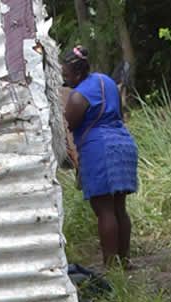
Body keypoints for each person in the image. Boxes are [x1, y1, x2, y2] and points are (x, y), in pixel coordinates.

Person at [61, 45, 138, 267]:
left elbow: (67, 125)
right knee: (119, 208)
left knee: (104, 210)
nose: (65, 80)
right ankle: (125, 260)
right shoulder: (107, 81)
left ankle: (111, 265)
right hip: (123, 143)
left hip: (99, 150)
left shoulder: (78, 96)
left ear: (78, 73)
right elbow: (119, 113)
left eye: (67, 75)